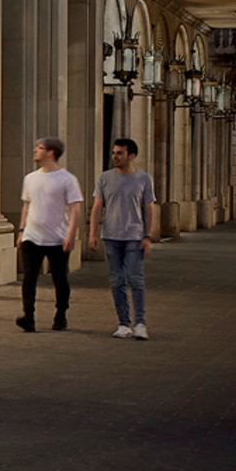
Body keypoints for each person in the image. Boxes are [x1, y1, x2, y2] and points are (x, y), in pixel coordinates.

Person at [15, 136, 82, 332]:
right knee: (29, 278)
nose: (35, 150)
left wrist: (70, 235)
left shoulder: (67, 179)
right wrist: (21, 230)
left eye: (40, 148)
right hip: (32, 236)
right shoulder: (30, 178)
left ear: (51, 153)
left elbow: (75, 209)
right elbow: (26, 206)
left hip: (57, 238)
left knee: (60, 278)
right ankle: (29, 317)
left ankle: (61, 315)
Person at [98, 137, 158, 340]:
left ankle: (140, 322)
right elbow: (98, 205)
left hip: (134, 235)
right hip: (111, 235)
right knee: (116, 281)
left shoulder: (143, 179)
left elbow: (149, 207)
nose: (115, 156)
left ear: (131, 156)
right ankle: (123, 323)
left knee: (136, 279)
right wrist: (92, 233)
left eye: (119, 153)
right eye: (114, 152)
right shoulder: (105, 178)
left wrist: (148, 235)